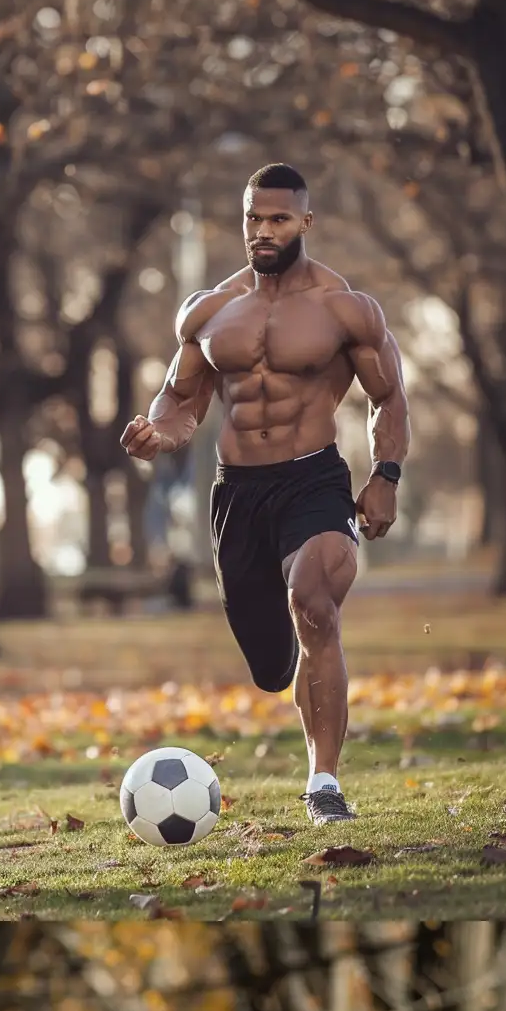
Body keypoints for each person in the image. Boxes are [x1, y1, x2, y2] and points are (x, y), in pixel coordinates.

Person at [120, 164, 411, 826]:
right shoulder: (209, 310)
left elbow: (388, 397)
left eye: (278, 219)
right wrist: (162, 431)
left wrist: (385, 476)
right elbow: (181, 397)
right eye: (254, 218)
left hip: (313, 481)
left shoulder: (346, 308)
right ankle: (282, 664)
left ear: (306, 222)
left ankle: (324, 784)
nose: (264, 231)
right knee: (270, 661)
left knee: (314, 603)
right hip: (239, 496)